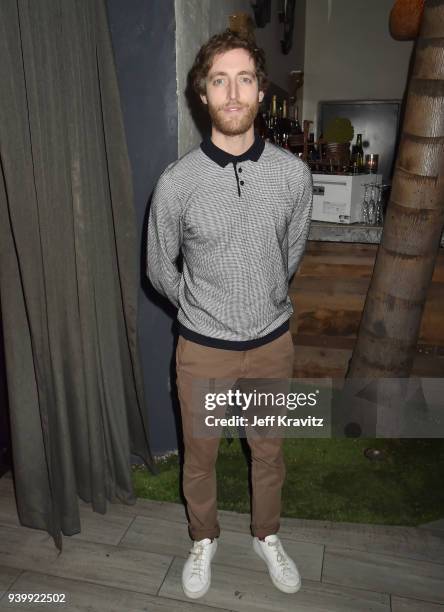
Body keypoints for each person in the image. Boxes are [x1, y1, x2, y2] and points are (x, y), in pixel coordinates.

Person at [147, 29, 313, 600]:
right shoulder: (176, 183)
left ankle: (267, 535)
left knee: (268, 451)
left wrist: (261, 300)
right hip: (202, 349)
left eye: (245, 78)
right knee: (201, 457)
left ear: (260, 93)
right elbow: (158, 267)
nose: (234, 92)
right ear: (203, 95)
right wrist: (202, 309)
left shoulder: (293, 176)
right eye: (220, 80)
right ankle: (204, 538)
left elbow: (289, 254)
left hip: (271, 344)